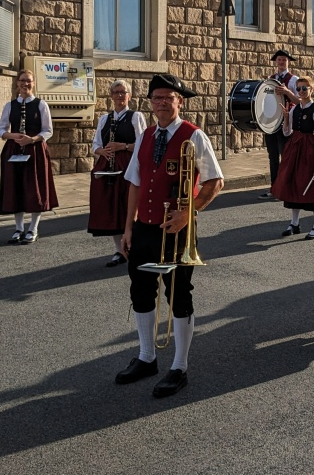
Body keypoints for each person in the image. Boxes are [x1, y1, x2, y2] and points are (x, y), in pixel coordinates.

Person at [115, 74, 224, 398]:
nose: (162, 103)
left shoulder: (194, 136)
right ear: (150, 103)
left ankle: (179, 366)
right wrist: (128, 227)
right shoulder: (147, 135)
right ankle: (147, 356)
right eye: (157, 98)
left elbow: (215, 182)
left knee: (178, 296)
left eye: (168, 97)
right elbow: (134, 181)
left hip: (177, 229)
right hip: (146, 227)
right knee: (141, 291)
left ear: (180, 102)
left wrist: (188, 213)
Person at [88, 80, 148, 266]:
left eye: (123, 92)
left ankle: (134, 246)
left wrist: (122, 146)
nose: (119, 96)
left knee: (128, 206)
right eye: (116, 92)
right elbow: (95, 145)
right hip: (109, 168)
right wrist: (102, 151)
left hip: (128, 166)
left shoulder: (135, 116)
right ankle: (118, 250)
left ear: (129, 95)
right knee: (111, 207)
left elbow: (143, 143)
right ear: (111, 96)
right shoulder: (105, 119)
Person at [0, 70, 58, 244]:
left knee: (34, 189)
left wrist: (32, 139)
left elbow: (48, 130)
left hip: (35, 150)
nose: (25, 84)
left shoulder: (41, 104)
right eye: (22, 81)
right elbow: (0, 130)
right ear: (17, 83)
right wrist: (14, 136)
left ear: (33, 83)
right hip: (14, 149)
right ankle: (18, 228)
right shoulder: (10, 105)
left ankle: (33, 228)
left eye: (29, 81)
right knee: (16, 188)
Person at [271, 76, 314, 239]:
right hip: (295, 151)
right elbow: (287, 133)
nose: (301, 91)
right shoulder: (295, 109)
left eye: (305, 88)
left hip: (310, 151)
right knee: (293, 185)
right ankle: (294, 223)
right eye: (298, 89)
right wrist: (286, 118)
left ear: (312, 89)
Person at [259, 49, 300, 200]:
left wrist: (287, 92)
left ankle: (285, 188)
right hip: (271, 123)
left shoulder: (294, 80)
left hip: (286, 123)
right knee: (273, 156)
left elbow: (299, 102)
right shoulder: (270, 79)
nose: (281, 62)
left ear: (288, 62)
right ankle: (274, 187)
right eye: (279, 60)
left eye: (284, 60)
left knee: (286, 156)